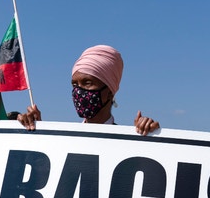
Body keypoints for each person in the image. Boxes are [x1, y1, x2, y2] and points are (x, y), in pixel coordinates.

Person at [18, 45, 159, 135]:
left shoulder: (128, 141)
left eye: (87, 83)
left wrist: (150, 137)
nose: (79, 91)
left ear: (109, 91)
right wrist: (38, 133)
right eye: (75, 84)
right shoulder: (65, 139)